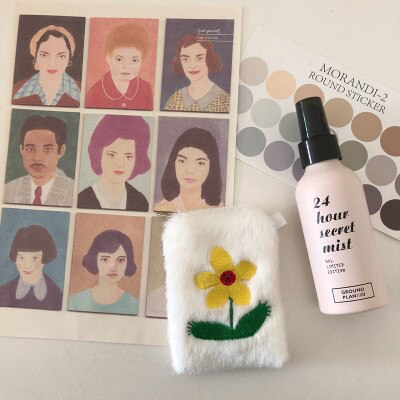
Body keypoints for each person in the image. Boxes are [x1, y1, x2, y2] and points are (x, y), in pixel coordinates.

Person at [78, 115, 150, 211]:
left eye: (128, 157)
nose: (120, 164)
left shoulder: (141, 202)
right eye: (112, 155)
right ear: (99, 155)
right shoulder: (82, 200)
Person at [3, 115, 74, 207]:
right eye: (30, 149)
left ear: (61, 151)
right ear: (21, 149)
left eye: (47, 149)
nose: (37, 158)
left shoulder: (74, 192)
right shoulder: (8, 190)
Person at [68, 230, 139, 315]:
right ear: (95, 260)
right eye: (105, 259)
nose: (113, 267)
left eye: (121, 260)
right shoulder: (75, 302)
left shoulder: (135, 305)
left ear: (128, 262)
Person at [85, 23, 153, 110]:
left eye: (134, 60)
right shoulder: (95, 92)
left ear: (142, 61)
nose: (126, 66)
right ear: (108, 59)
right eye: (119, 59)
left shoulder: (146, 89)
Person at [155, 127, 223, 212]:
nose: (190, 171)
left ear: (212, 167)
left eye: (200, 163)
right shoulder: (161, 208)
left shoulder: (219, 209)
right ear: (173, 163)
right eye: (182, 161)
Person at [12, 25, 80, 107]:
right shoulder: (16, 90)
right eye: (44, 55)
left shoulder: (82, 92)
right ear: (36, 57)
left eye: (61, 56)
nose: (52, 64)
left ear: (69, 59)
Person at [0, 225, 63, 310]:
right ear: (15, 258)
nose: (28, 265)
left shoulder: (57, 295)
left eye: (35, 258)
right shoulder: (3, 291)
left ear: (45, 258)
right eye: (21, 258)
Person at [164, 35, 230, 113]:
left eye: (199, 58)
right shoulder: (174, 99)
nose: (192, 65)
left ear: (209, 60)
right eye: (185, 59)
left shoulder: (224, 100)